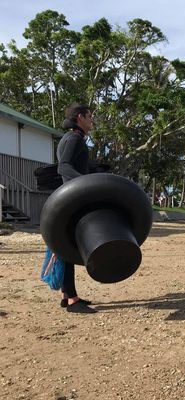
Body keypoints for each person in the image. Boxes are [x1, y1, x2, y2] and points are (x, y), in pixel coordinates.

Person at [55, 103, 96, 313]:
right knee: (69, 249)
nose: (92, 120)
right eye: (89, 116)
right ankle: (71, 299)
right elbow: (64, 166)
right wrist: (85, 184)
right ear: (80, 117)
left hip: (69, 198)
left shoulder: (73, 138)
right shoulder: (73, 138)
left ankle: (67, 294)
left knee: (66, 248)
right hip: (72, 199)